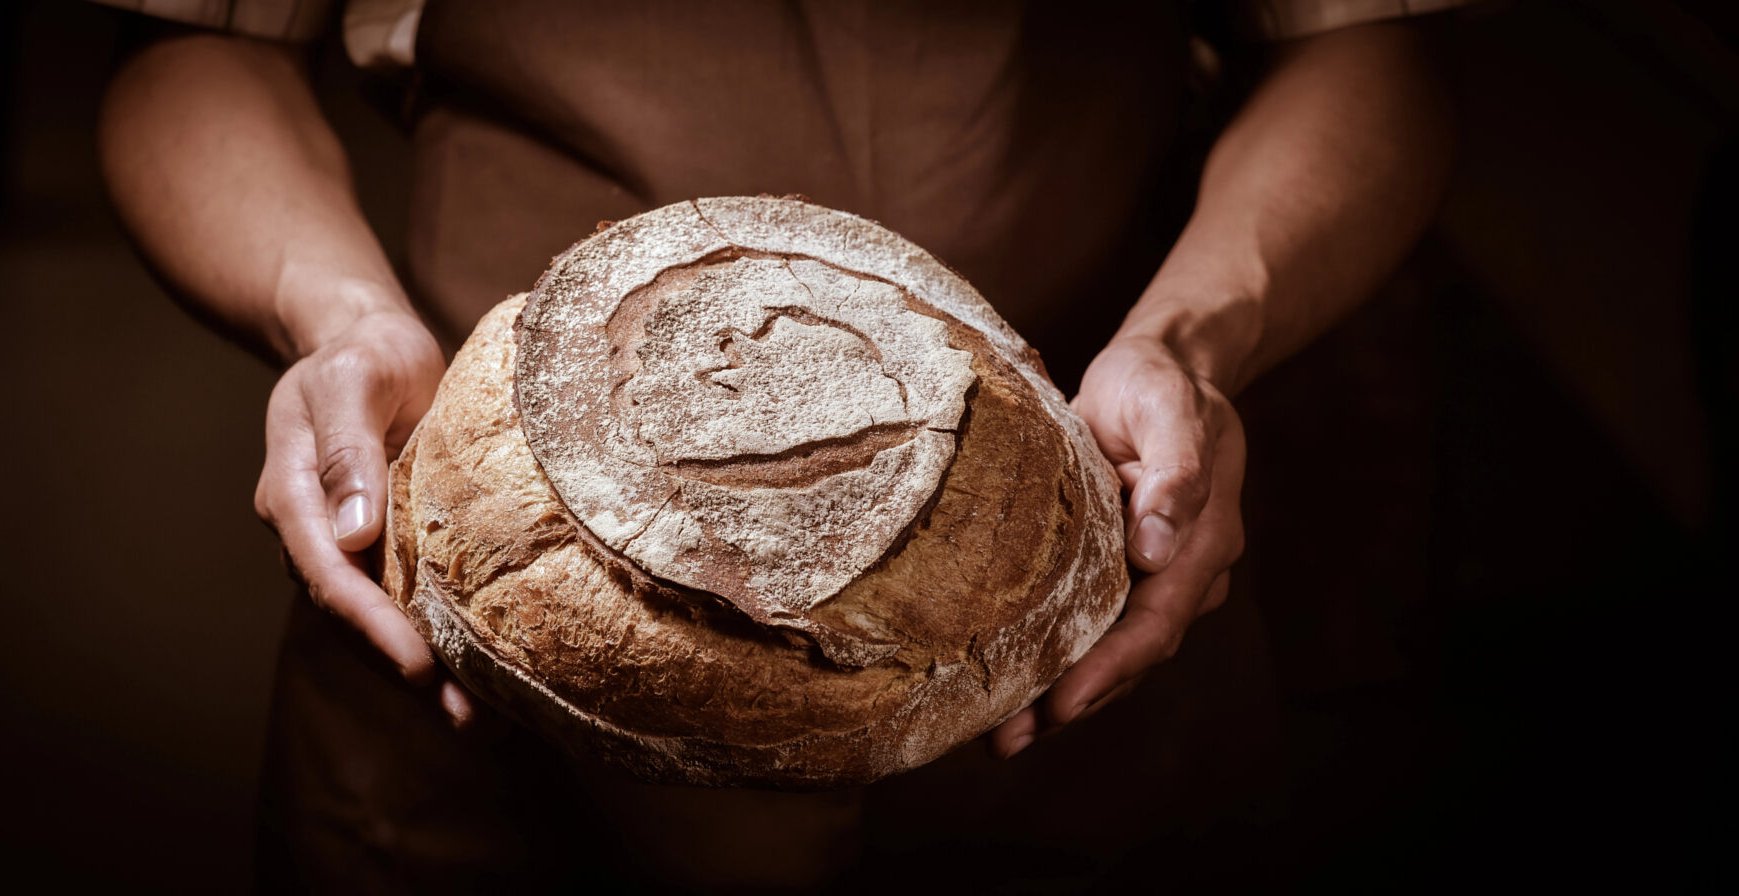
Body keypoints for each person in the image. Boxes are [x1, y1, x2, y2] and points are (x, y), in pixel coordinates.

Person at [95, 0, 1461, 888]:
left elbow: (1362, 44)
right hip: (493, 595)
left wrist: (1191, 341)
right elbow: (198, 40)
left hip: (1075, 588)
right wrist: (336, 321)